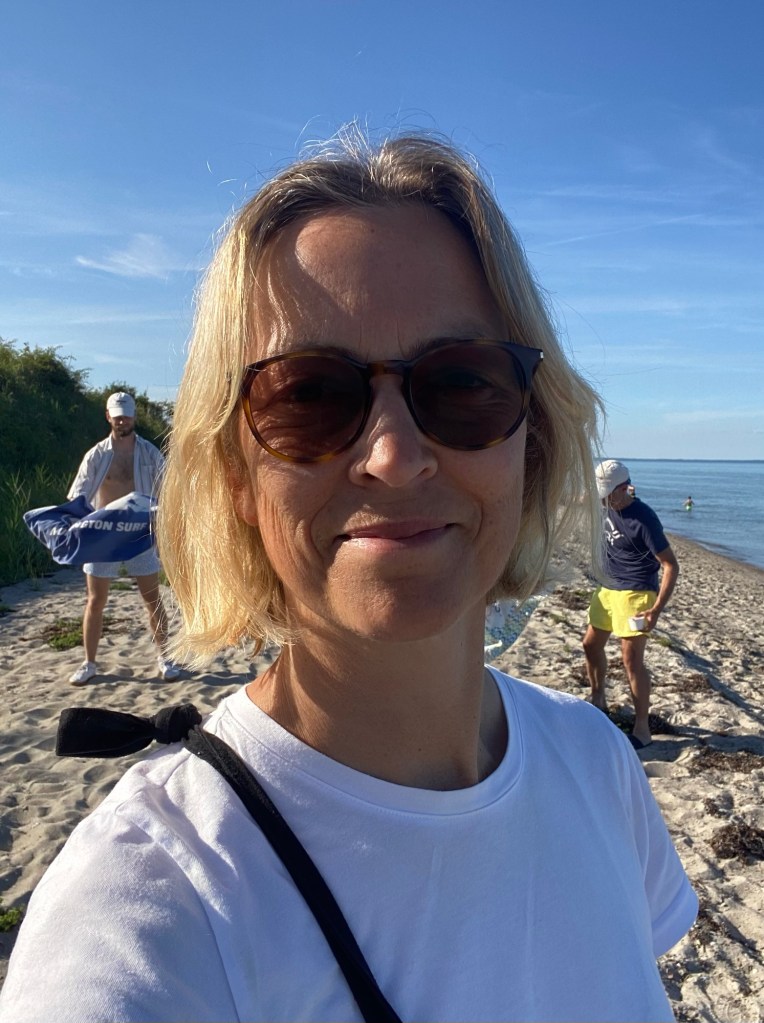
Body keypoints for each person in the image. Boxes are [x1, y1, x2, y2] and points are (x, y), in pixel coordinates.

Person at [0, 133, 696, 1023]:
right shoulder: (152, 904)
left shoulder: (596, 766)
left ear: (532, 440)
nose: (395, 455)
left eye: (464, 383)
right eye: (309, 395)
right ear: (236, 474)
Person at [65, 391, 180, 684]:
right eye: (117, 416)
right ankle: (89, 663)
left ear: (134, 416)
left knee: (152, 598)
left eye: (126, 415)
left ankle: (165, 657)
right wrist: (81, 526)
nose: (122, 421)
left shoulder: (149, 453)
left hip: (139, 532)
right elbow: (78, 494)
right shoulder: (96, 455)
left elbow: (168, 490)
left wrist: (164, 522)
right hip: (104, 534)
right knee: (96, 600)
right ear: (108, 417)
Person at [583, 459, 680, 748]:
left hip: (637, 591)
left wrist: (656, 609)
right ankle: (598, 699)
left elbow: (670, 565)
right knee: (590, 645)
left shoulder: (643, 518)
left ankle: (642, 729)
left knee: (631, 660)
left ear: (624, 488)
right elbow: (576, 498)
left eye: (608, 493)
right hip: (607, 588)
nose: (603, 499)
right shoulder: (603, 504)